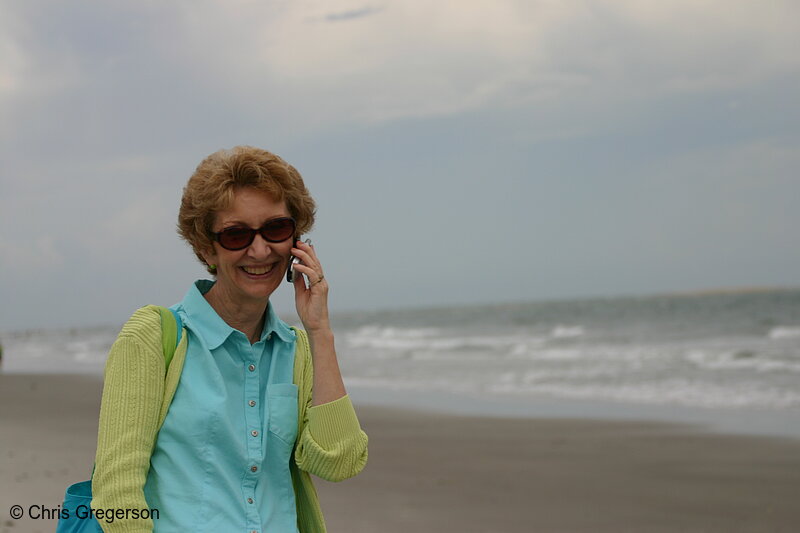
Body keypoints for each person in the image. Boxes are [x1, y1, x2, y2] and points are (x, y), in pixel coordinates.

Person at [91, 146, 368, 532]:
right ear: (207, 247)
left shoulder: (298, 350)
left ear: (296, 240)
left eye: (275, 229)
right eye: (237, 234)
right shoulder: (153, 337)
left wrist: (319, 331)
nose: (259, 249)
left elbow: (339, 462)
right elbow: (115, 495)